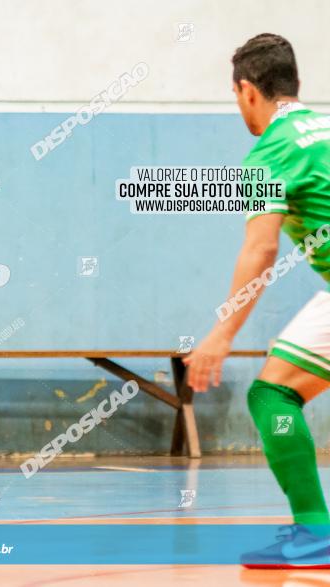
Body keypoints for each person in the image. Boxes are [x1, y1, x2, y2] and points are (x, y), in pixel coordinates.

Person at [185, 33, 330, 568]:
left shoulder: (270, 149)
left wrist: (220, 335)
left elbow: (261, 246)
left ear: (247, 90)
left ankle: (315, 531)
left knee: (272, 397)